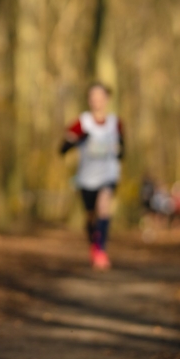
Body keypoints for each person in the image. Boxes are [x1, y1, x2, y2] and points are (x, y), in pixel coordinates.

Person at [60, 83, 123, 270]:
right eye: (92, 96)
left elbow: (123, 150)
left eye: (100, 96)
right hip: (87, 177)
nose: (96, 100)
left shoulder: (115, 124)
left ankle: (100, 251)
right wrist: (78, 140)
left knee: (104, 208)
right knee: (90, 216)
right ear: (89, 100)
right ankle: (93, 245)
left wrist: (117, 151)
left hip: (108, 175)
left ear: (107, 99)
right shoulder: (82, 122)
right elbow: (62, 149)